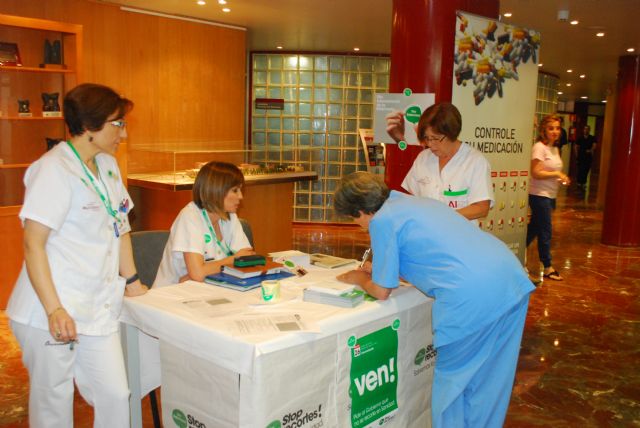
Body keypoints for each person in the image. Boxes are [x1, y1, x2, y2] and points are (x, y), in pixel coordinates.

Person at [333, 172, 534, 428]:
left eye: (354, 219)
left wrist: (357, 278)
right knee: (490, 383)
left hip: (472, 299)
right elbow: (433, 252)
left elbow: (382, 291)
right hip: (509, 282)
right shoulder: (410, 202)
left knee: (453, 387)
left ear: (360, 211)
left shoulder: (381, 221)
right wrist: (383, 268)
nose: (359, 225)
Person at [6, 83, 148, 427]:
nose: (123, 133)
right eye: (118, 124)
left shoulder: (109, 165)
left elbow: (121, 227)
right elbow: (33, 244)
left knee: (115, 394)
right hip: (51, 309)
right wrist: (54, 308)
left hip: (96, 305)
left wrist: (133, 282)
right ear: (89, 126)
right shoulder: (53, 170)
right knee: (54, 401)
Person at [385, 102, 493, 223]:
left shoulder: (474, 161)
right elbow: (412, 197)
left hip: (459, 237)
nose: (430, 144)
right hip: (426, 235)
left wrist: (443, 217)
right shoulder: (423, 158)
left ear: (452, 133)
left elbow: (482, 208)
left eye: (435, 138)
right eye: (427, 138)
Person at [154, 161, 255, 287]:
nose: (240, 196)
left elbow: (247, 258)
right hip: (173, 294)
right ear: (217, 191)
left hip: (211, 286)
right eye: (235, 190)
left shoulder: (230, 217)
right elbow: (198, 274)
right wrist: (234, 260)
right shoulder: (190, 216)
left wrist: (204, 271)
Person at [527, 114, 570, 281]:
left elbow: (550, 172)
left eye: (558, 128)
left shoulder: (554, 148)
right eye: (551, 128)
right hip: (539, 195)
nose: (555, 131)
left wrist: (561, 177)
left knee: (535, 229)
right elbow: (536, 173)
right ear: (543, 130)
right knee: (546, 231)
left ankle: (514, 255)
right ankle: (547, 266)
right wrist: (557, 173)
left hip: (550, 195)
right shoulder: (539, 147)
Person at [574, 125, 597, 189]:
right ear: (583, 130)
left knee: (586, 170)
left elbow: (594, 145)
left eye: (587, 129)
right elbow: (576, 146)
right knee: (580, 169)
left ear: (589, 130)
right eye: (585, 129)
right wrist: (577, 155)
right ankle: (579, 182)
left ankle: (584, 183)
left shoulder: (592, 138)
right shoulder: (580, 138)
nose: (586, 130)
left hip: (588, 156)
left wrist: (591, 150)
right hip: (581, 156)